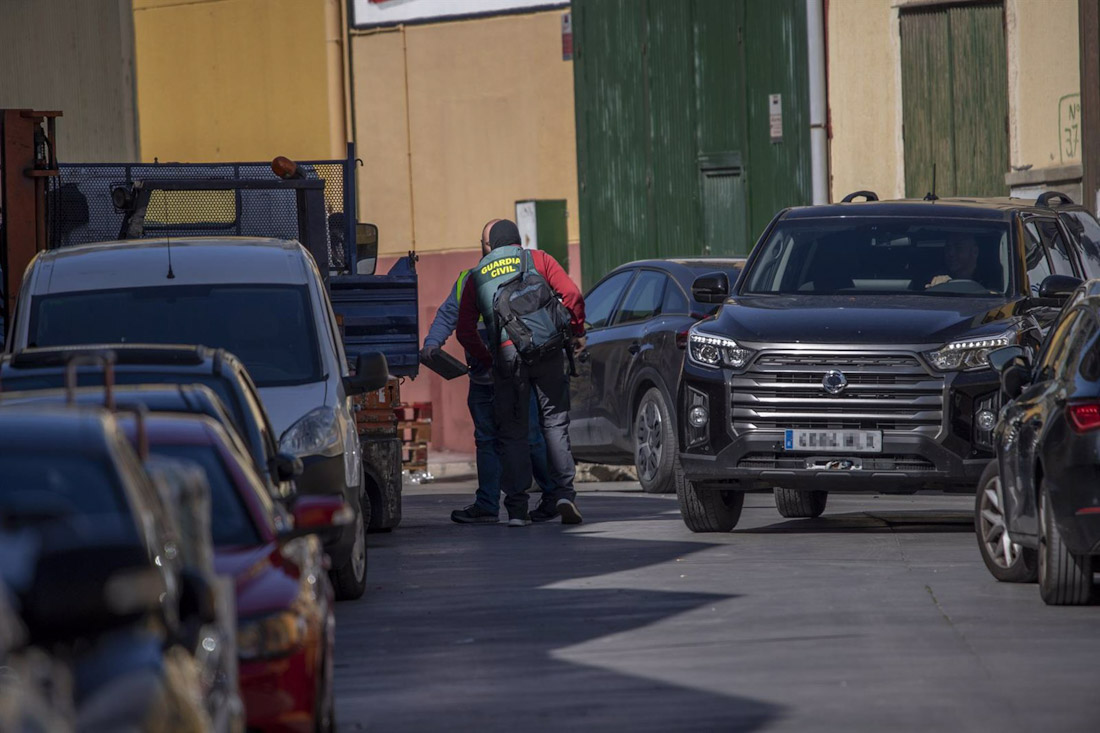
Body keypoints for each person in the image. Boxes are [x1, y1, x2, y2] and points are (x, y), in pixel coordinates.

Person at [456, 219, 586, 527]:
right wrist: (577, 330)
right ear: (518, 241)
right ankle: (563, 494)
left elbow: (464, 331)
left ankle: (516, 510)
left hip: (507, 356)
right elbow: (572, 295)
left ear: (490, 245)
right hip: (548, 349)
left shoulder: (476, 276)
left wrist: (487, 359)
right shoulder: (538, 259)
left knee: (512, 432)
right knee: (554, 422)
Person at [420, 238, 555, 524]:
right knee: (493, 439)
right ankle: (490, 504)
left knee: (525, 436)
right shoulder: (470, 279)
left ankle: (551, 496)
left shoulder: (519, 274)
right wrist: (432, 344)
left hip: (505, 373)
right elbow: (448, 315)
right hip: (488, 376)